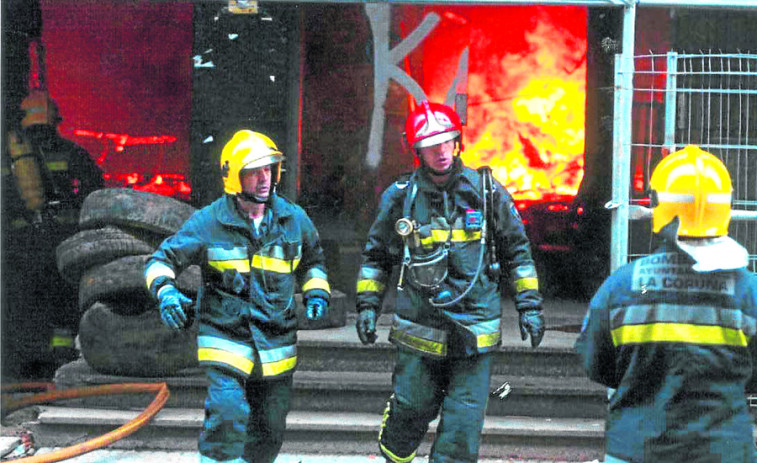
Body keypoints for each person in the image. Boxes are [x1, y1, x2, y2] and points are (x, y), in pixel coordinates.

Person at [354, 101, 545, 462]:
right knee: (409, 412)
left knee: (462, 428)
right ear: (417, 150)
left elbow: (518, 254)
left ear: (458, 142)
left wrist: (530, 307)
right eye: (431, 145)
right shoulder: (400, 198)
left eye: (446, 142)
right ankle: (395, 447)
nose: (441, 151)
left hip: (474, 331)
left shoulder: (487, 193)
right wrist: (367, 306)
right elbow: (378, 255)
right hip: (420, 327)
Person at [144, 129, 331, 463]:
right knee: (228, 413)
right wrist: (166, 291)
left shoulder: (294, 220)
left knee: (271, 427)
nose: (264, 179)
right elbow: (161, 261)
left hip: (276, 342)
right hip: (226, 337)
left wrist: (316, 292)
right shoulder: (209, 222)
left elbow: (313, 261)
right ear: (234, 177)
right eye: (253, 172)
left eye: (268, 170)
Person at [575, 145, 757, 463]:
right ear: (725, 206)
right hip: (723, 450)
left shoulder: (621, 286)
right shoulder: (749, 292)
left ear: (659, 205)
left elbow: (596, 364)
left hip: (636, 448)